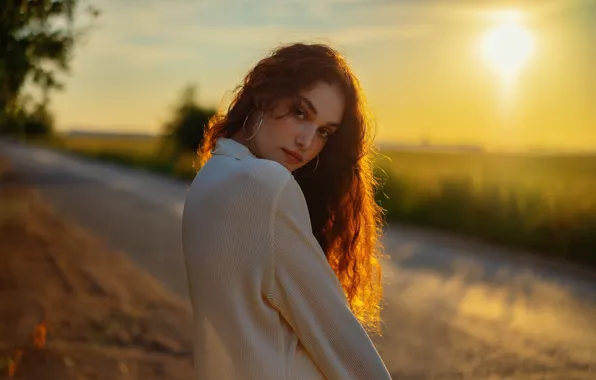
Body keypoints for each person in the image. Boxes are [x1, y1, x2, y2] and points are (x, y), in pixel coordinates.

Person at [182, 42, 392, 380]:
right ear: (264, 95)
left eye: (324, 131)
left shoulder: (211, 175)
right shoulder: (266, 184)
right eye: (300, 113)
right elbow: (341, 342)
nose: (307, 141)